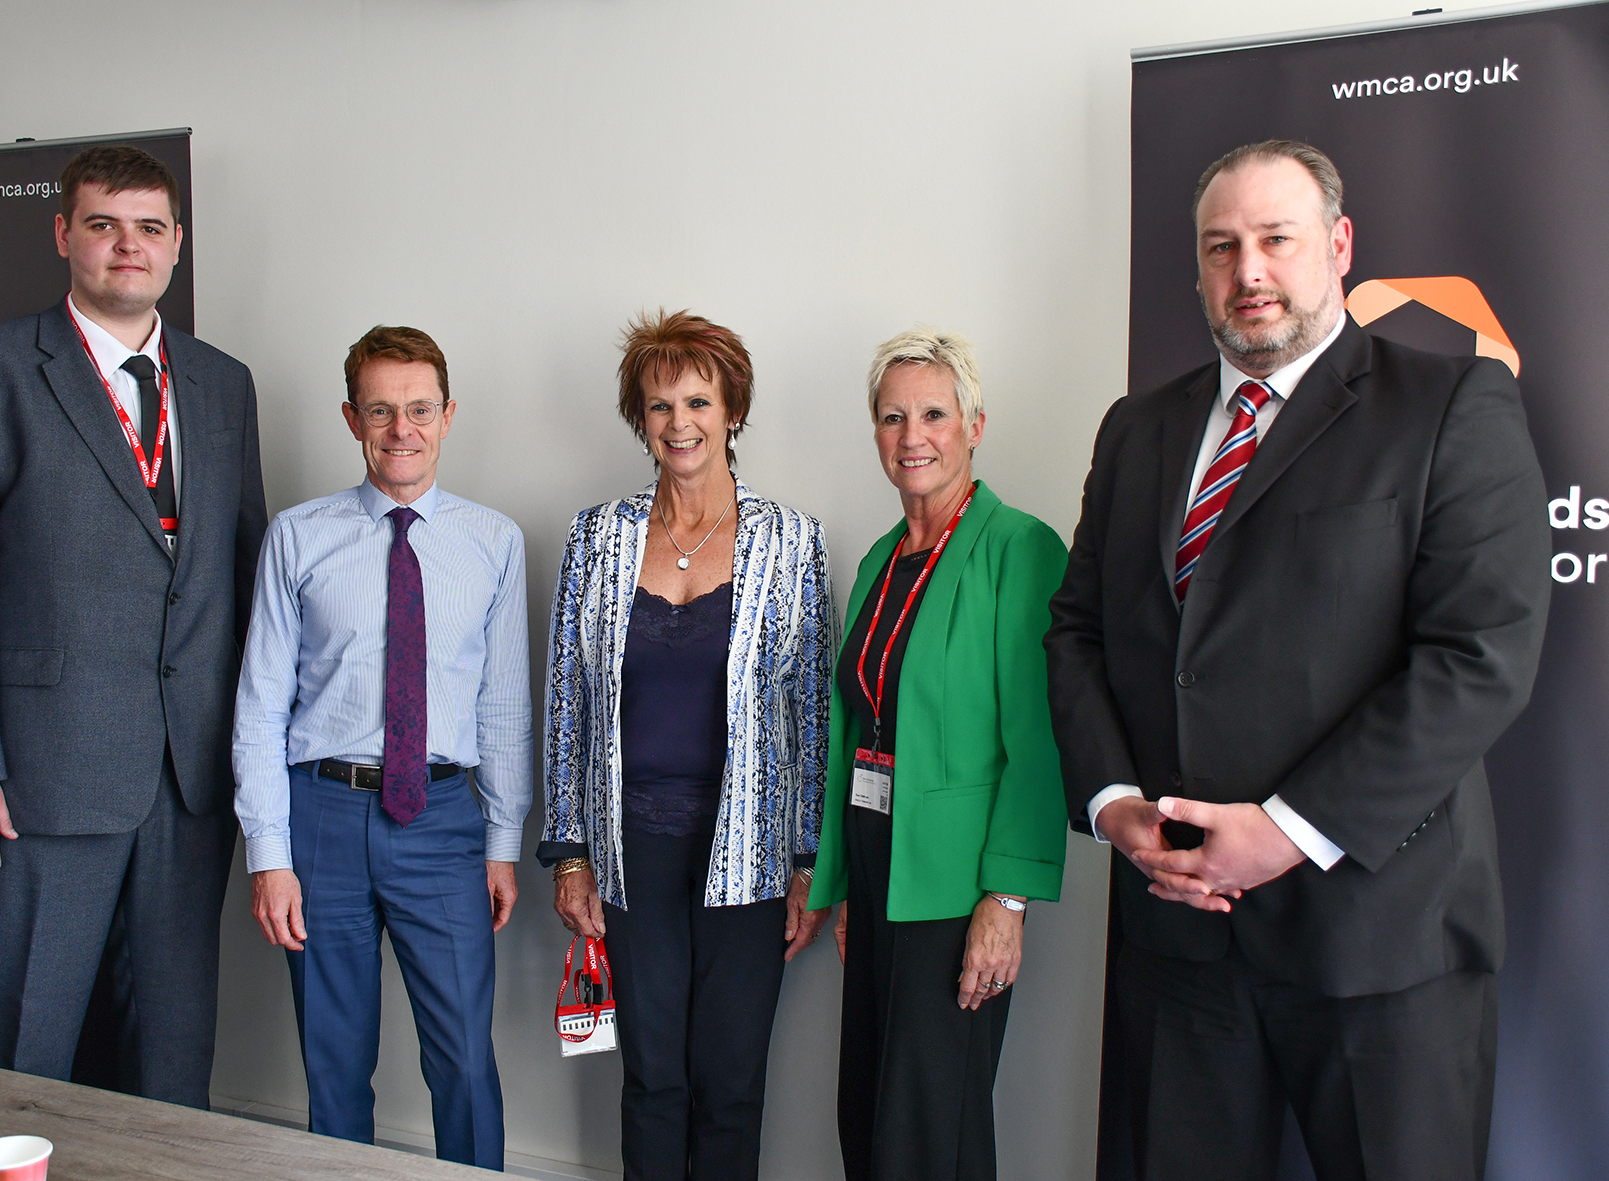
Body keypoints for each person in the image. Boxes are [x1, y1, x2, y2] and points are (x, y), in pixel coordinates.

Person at [1045, 140, 1551, 1180]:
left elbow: (1479, 652)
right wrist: (1111, 802)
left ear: (1337, 245)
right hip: (1178, 940)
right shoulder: (1137, 429)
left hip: (1381, 944)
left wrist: (1284, 832)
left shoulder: (1449, 405)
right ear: (1194, 267)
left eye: (1274, 240)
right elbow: (1077, 630)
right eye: (1220, 247)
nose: (1249, 272)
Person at [0, 144, 266, 1106]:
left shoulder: (225, 385)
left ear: (177, 244)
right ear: (64, 234)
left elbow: (237, 573)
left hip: (188, 783)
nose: (126, 246)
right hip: (32, 782)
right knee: (16, 1049)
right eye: (103, 224)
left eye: (149, 227)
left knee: (174, 1058)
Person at [539, 309, 834, 1181]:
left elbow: (814, 717)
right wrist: (569, 855)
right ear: (640, 417)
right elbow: (566, 701)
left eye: (698, 400)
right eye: (660, 403)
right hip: (631, 852)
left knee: (731, 1085)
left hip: (747, 854)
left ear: (732, 410)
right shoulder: (596, 538)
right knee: (652, 1078)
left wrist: (812, 860)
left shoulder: (791, 541)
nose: (680, 423)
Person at [231, 325, 529, 1169]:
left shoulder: (492, 541)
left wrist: (503, 841)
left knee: (466, 1061)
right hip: (319, 819)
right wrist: (270, 853)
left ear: (448, 414)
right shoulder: (298, 535)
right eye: (382, 410)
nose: (403, 429)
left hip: (440, 821)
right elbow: (259, 705)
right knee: (333, 1067)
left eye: (420, 409)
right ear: (352, 417)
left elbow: (505, 703)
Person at [805, 329, 1068, 1181]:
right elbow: (862, 730)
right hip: (883, 871)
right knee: (869, 1108)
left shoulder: (1019, 549)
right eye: (892, 417)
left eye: (932, 413)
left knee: (931, 1128)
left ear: (974, 425)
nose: (911, 434)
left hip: (959, 888)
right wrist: (846, 882)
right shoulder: (886, 556)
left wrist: (1009, 898)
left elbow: (1039, 741)